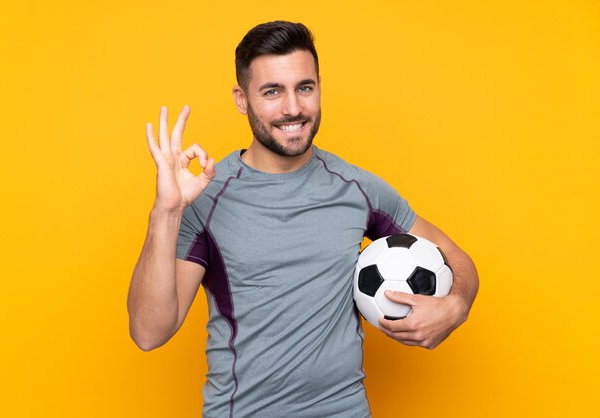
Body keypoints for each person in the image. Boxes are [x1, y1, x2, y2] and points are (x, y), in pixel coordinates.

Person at [127, 21, 478, 418]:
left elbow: (454, 256)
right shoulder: (207, 198)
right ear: (241, 99)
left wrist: (456, 305)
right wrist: (166, 212)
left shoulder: (357, 188)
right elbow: (148, 332)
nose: (292, 108)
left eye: (304, 87)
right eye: (272, 91)